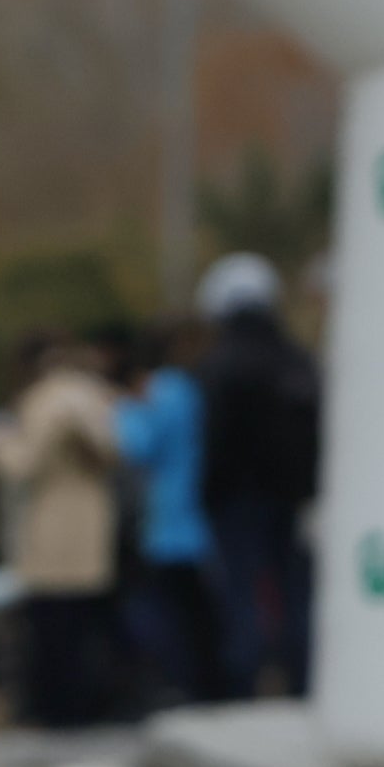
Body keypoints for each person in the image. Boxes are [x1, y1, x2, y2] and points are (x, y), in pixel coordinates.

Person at [0, 332, 123, 729]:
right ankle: (88, 708)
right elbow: (115, 453)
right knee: (84, 629)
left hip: (50, 528)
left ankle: (54, 712)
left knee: (49, 633)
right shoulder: (97, 397)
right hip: (92, 527)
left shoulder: (44, 400)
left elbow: (21, 466)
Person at [193, 252, 322, 698]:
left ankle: (240, 688)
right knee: (294, 599)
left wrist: (210, 495)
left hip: (236, 503)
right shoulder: (297, 359)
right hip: (293, 500)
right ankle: (301, 684)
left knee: (241, 599)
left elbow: (213, 442)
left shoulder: (219, 364)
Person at [104, 320, 221, 709]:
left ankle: (181, 687)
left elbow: (135, 446)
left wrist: (121, 407)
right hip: (197, 519)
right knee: (198, 615)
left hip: (171, 523)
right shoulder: (193, 389)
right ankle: (205, 686)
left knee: (172, 617)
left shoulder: (164, 391)